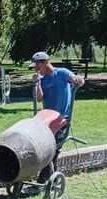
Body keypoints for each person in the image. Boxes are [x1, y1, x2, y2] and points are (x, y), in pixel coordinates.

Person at [31, 51, 85, 181]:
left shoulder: (62, 73)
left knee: (52, 150)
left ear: (45, 62)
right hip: (46, 120)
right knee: (45, 150)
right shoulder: (42, 80)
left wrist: (80, 80)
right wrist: (36, 83)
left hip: (61, 119)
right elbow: (39, 99)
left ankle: (43, 180)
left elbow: (76, 80)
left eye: (37, 66)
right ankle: (51, 178)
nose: (36, 69)